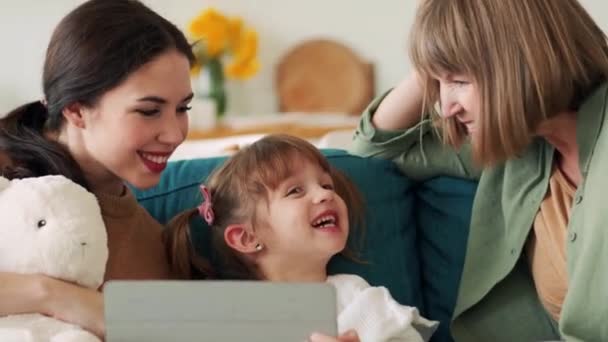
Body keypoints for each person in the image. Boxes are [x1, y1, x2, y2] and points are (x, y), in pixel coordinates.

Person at [350, 0, 608, 341]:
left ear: (522, 61)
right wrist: (431, 55)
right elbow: (371, 151)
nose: (446, 105)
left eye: (458, 79)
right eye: (437, 82)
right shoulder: (519, 149)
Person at [0, 0, 195, 337]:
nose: (175, 134)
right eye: (149, 110)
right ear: (76, 111)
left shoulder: (152, 248)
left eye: (182, 108)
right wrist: (54, 296)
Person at [165, 134, 437, 342]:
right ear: (247, 237)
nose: (325, 194)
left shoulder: (355, 296)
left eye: (326, 185)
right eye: (295, 190)